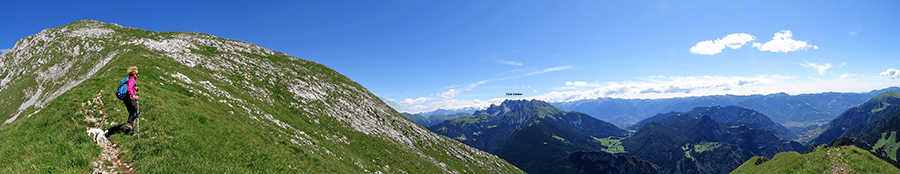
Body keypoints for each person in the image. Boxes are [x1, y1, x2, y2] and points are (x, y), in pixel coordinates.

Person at [122, 66, 140, 131]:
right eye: (137, 73)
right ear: (134, 73)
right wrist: (134, 96)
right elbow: (129, 88)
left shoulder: (130, 80)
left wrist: (135, 88)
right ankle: (128, 124)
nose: (138, 75)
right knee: (136, 111)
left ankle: (129, 127)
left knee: (131, 112)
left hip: (126, 99)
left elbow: (131, 88)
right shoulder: (132, 80)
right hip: (129, 98)